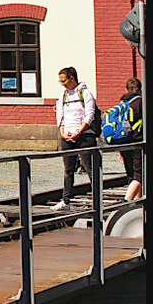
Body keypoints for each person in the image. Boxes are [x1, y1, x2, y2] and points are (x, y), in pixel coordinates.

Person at [52, 66, 99, 211]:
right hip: (68, 136)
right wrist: (63, 132)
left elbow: (89, 115)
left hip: (84, 136)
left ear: (72, 78)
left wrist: (79, 131)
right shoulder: (63, 96)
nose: (62, 84)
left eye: (64, 80)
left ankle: (97, 200)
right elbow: (60, 116)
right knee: (68, 170)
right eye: (60, 81)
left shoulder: (85, 93)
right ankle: (65, 200)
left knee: (90, 168)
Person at [116, 77, 143, 202]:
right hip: (138, 142)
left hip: (124, 141)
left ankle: (138, 204)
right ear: (140, 89)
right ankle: (126, 201)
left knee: (132, 175)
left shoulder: (122, 103)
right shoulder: (141, 102)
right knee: (140, 176)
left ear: (126, 89)